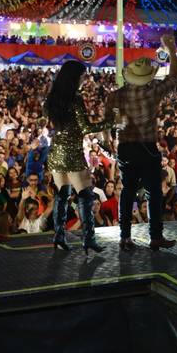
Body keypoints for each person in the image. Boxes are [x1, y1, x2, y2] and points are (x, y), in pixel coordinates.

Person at [104, 34, 177, 252]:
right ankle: (155, 237)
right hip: (147, 147)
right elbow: (174, 78)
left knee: (127, 192)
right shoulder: (151, 92)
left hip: (126, 148)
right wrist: (171, 50)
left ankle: (125, 237)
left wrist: (112, 139)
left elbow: (111, 123)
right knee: (153, 193)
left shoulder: (115, 96)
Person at [44, 59, 114, 254]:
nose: (85, 79)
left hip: (56, 153)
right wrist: (109, 122)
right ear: (74, 77)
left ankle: (59, 236)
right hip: (72, 153)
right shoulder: (75, 100)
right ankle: (89, 239)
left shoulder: (51, 99)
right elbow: (85, 128)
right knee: (85, 196)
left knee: (62, 195)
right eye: (83, 75)